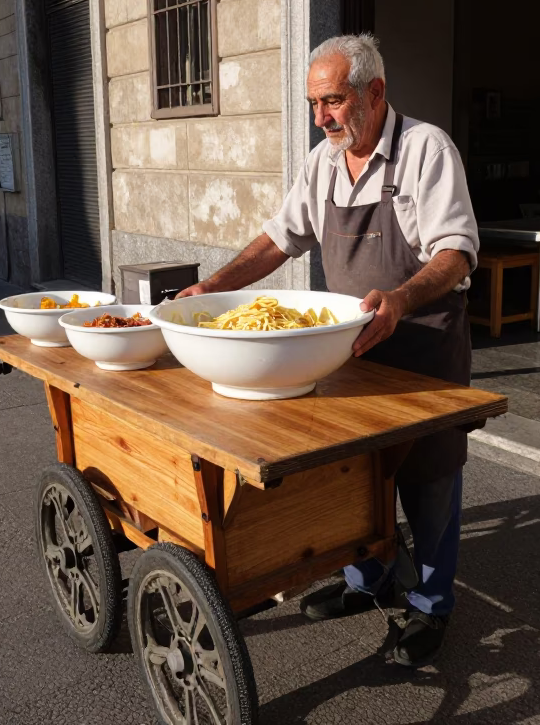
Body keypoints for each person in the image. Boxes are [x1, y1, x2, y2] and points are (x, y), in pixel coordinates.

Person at [177, 34, 479, 668]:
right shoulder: (322, 162)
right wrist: (212, 286)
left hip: (422, 353)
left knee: (429, 483)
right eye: (315, 103)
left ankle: (430, 605)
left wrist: (399, 298)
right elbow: (277, 240)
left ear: (375, 93)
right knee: (357, 476)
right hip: (353, 355)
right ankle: (368, 581)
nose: (321, 118)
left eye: (333, 101)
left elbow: (455, 253)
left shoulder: (426, 150)